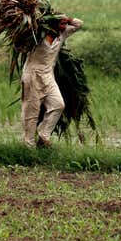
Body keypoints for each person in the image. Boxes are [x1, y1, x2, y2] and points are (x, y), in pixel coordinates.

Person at [21, 16, 83, 148]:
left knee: (58, 105)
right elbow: (21, 44)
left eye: (65, 23)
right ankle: (28, 146)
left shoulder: (62, 34)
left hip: (48, 76)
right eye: (61, 23)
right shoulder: (37, 36)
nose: (64, 25)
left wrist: (68, 18)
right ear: (52, 24)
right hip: (32, 76)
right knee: (32, 112)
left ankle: (44, 135)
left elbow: (78, 24)